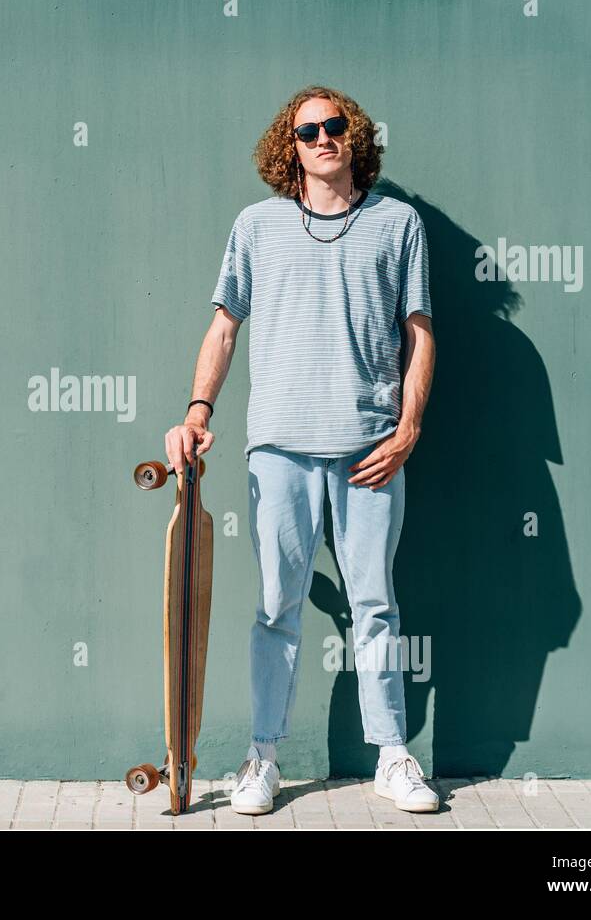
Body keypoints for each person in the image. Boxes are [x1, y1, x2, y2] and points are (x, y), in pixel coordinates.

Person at [167, 86, 438, 815]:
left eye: (335, 124)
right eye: (307, 128)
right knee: (276, 604)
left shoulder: (397, 224)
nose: (323, 136)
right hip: (279, 447)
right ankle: (263, 757)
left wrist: (408, 429)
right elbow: (224, 328)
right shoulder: (256, 226)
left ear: (355, 136)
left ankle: (391, 755)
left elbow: (419, 332)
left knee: (375, 604)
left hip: (369, 449)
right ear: (290, 146)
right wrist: (197, 412)